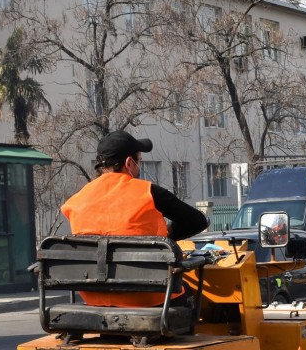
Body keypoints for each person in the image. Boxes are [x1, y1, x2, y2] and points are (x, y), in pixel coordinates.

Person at [61, 129, 209, 306]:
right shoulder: (148, 192)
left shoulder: (76, 201)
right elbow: (197, 221)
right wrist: (165, 236)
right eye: (139, 161)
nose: (140, 166)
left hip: (96, 299)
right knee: (190, 291)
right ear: (129, 163)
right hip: (151, 300)